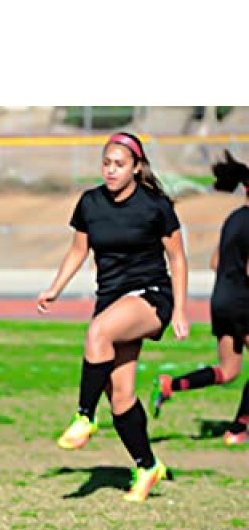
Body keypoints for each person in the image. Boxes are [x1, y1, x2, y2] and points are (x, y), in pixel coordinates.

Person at [37, 132, 190, 502]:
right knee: (121, 397)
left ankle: (84, 416)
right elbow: (78, 250)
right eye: (106, 163)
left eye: (119, 164)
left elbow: (178, 259)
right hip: (110, 298)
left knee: (98, 333)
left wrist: (182, 310)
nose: (111, 170)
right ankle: (148, 466)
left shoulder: (155, 206)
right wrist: (55, 288)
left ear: (137, 167)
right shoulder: (90, 202)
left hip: (151, 296)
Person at [151, 151, 249, 445]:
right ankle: (238, 428)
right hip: (244, 302)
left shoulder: (233, 219)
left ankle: (172, 384)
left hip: (222, 300)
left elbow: (216, 262)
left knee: (229, 370)